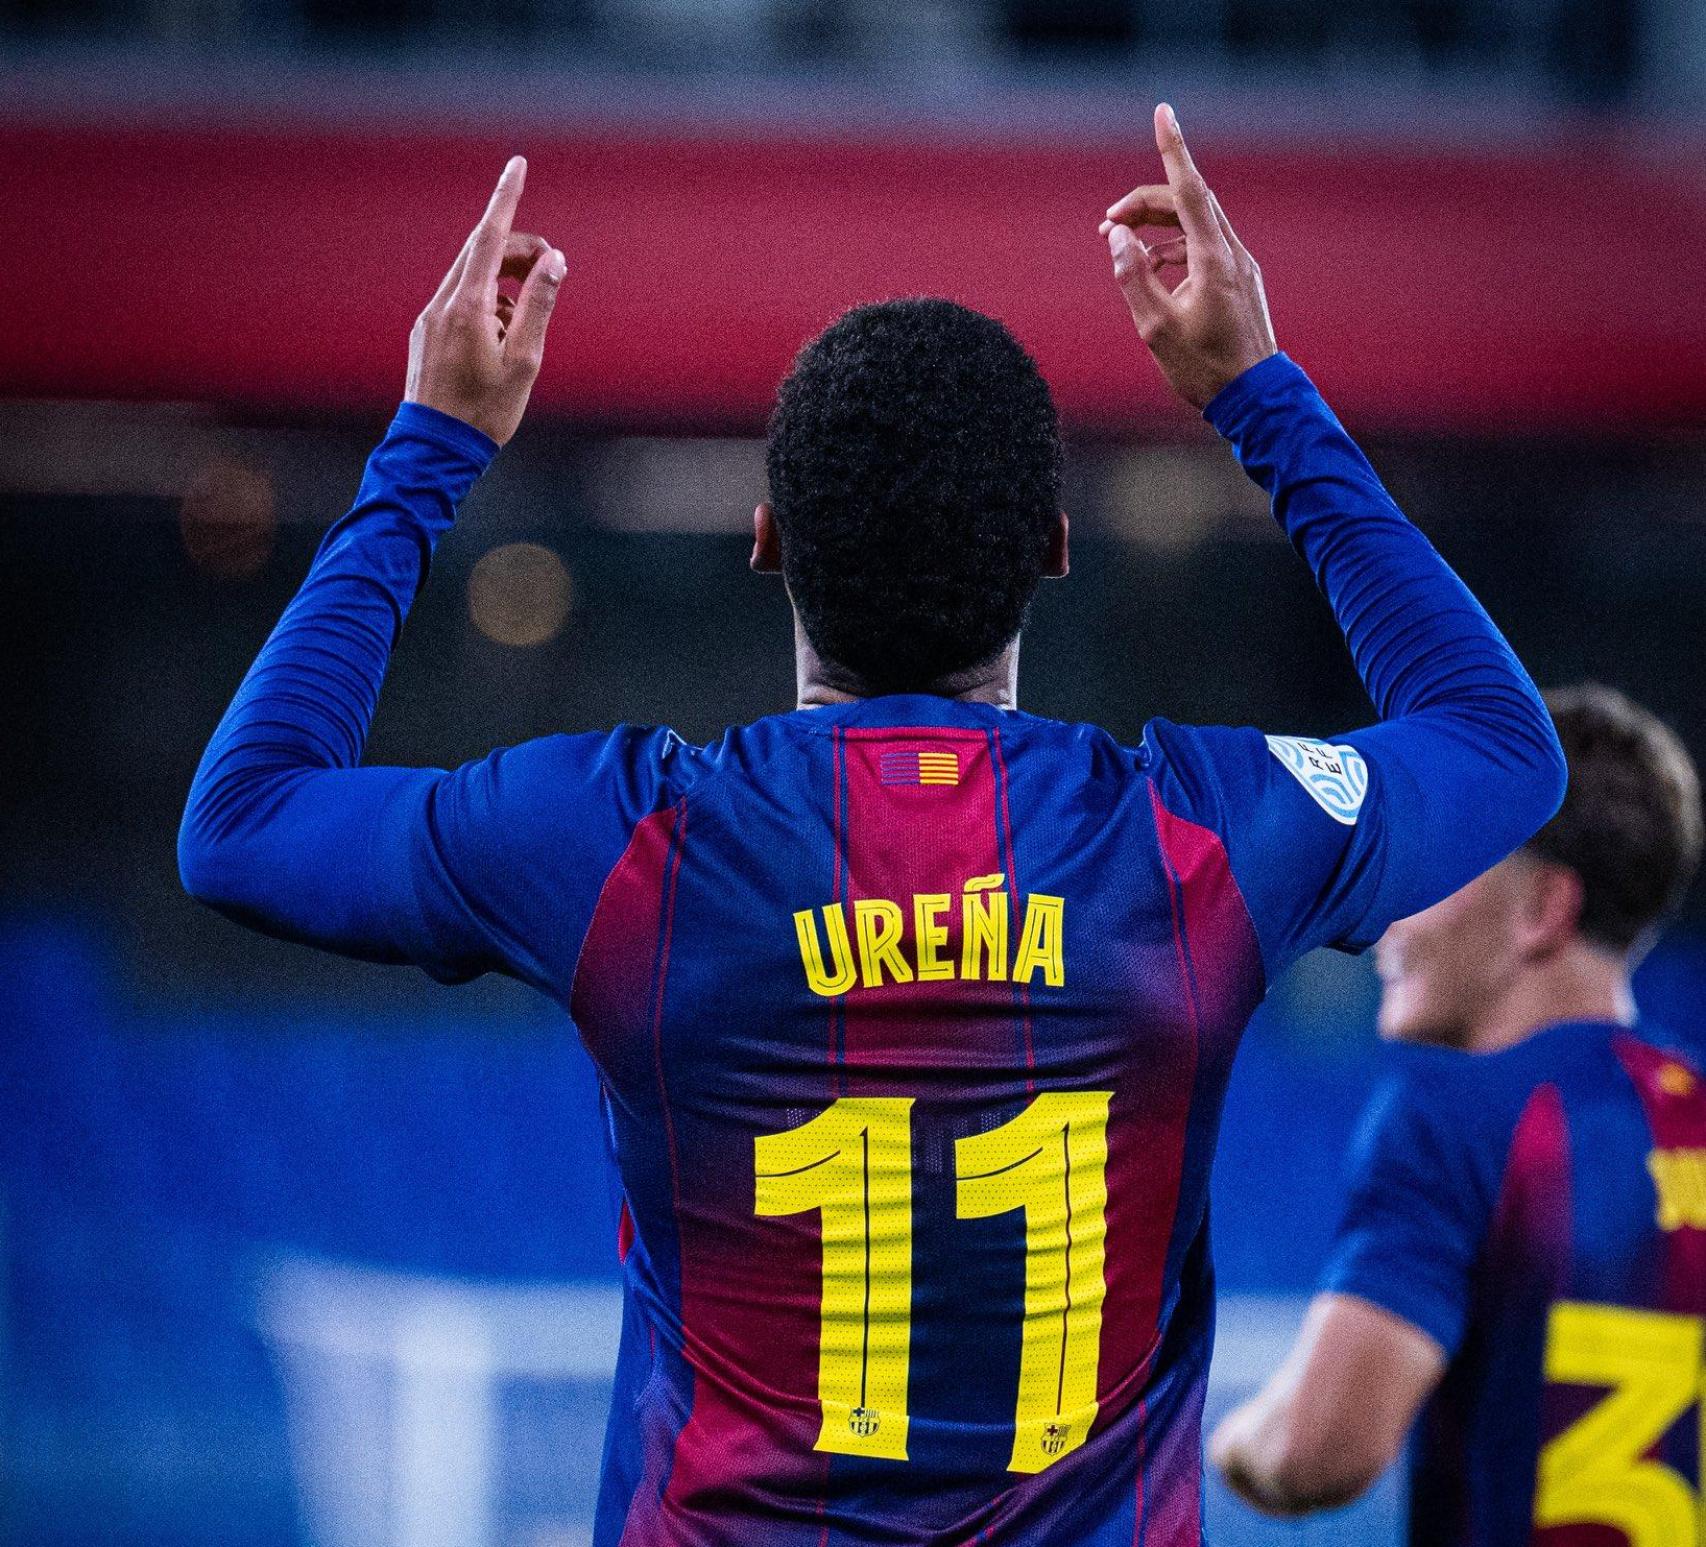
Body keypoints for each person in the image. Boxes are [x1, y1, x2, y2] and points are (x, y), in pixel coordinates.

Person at [179, 106, 1565, 1546]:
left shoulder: (623, 841)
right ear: (1052, 547)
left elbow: (241, 821)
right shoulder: (1190, 841)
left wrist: (429, 450)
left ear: (767, 538)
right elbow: (1495, 746)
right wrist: (1259, 396)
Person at [1211, 683, 1704, 1544]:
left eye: (1439, 866)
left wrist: (1222, 1441)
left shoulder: (1453, 1115)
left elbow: (1312, 1453)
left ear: (1543, 909)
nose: (1389, 915)